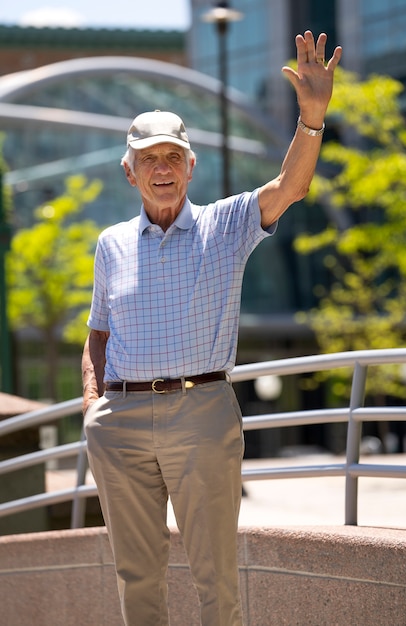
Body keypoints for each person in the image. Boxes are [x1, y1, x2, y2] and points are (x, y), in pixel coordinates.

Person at [82, 31, 342, 626]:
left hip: (201, 413)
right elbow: (98, 331)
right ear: (131, 173)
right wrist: (93, 403)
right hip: (118, 424)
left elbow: (290, 188)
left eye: (173, 156)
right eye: (150, 159)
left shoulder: (226, 225)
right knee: (137, 576)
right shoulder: (111, 244)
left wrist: (312, 119)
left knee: (215, 576)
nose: (163, 169)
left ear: (191, 165)